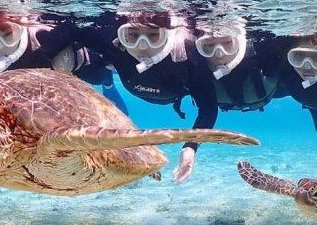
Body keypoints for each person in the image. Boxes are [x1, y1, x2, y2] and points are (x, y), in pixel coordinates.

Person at [76, 9, 218, 183]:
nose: (142, 46)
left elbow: (208, 108)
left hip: (173, 94)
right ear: (122, 35)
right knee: (89, 70)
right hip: (117, 72)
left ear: (167, 34)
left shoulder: (188, 56)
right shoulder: (115, 47)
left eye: (153, 35)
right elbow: (72, 30)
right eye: (133, 35)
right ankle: (107, 79)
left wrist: (190, 147)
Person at [0, 8, 128, 114]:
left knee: (98, 77)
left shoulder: (46, 38)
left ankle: (108, 84)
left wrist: (111, 55)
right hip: (35, 86)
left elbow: (79, 29)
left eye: (7, 34)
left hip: (78, 69)